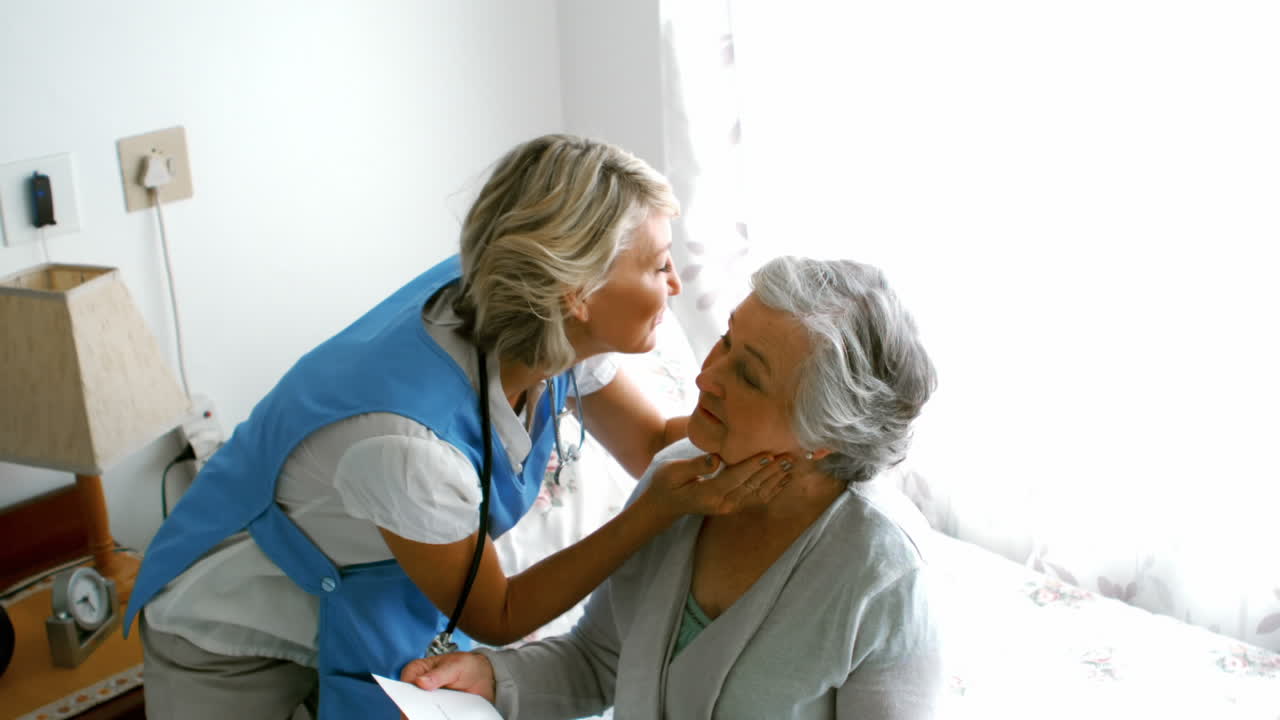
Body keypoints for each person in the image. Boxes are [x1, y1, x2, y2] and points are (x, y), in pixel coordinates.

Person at [123, 134, 790, 720]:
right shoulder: (408, 445)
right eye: (657, 265)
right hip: (232, 627)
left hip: (367, 598)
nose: (674, 285)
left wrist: (774, 433)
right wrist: (656, 510)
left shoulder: (531, 312)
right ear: (575, 294)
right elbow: (495, 616)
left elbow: (649, 443)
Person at [402, 256, 945, 718]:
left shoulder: (884, 574)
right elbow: (598, 661)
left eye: (749, 375)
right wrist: (491, 680)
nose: (708, 376)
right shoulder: (683, 479)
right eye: (728, 340)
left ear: (823, 437)